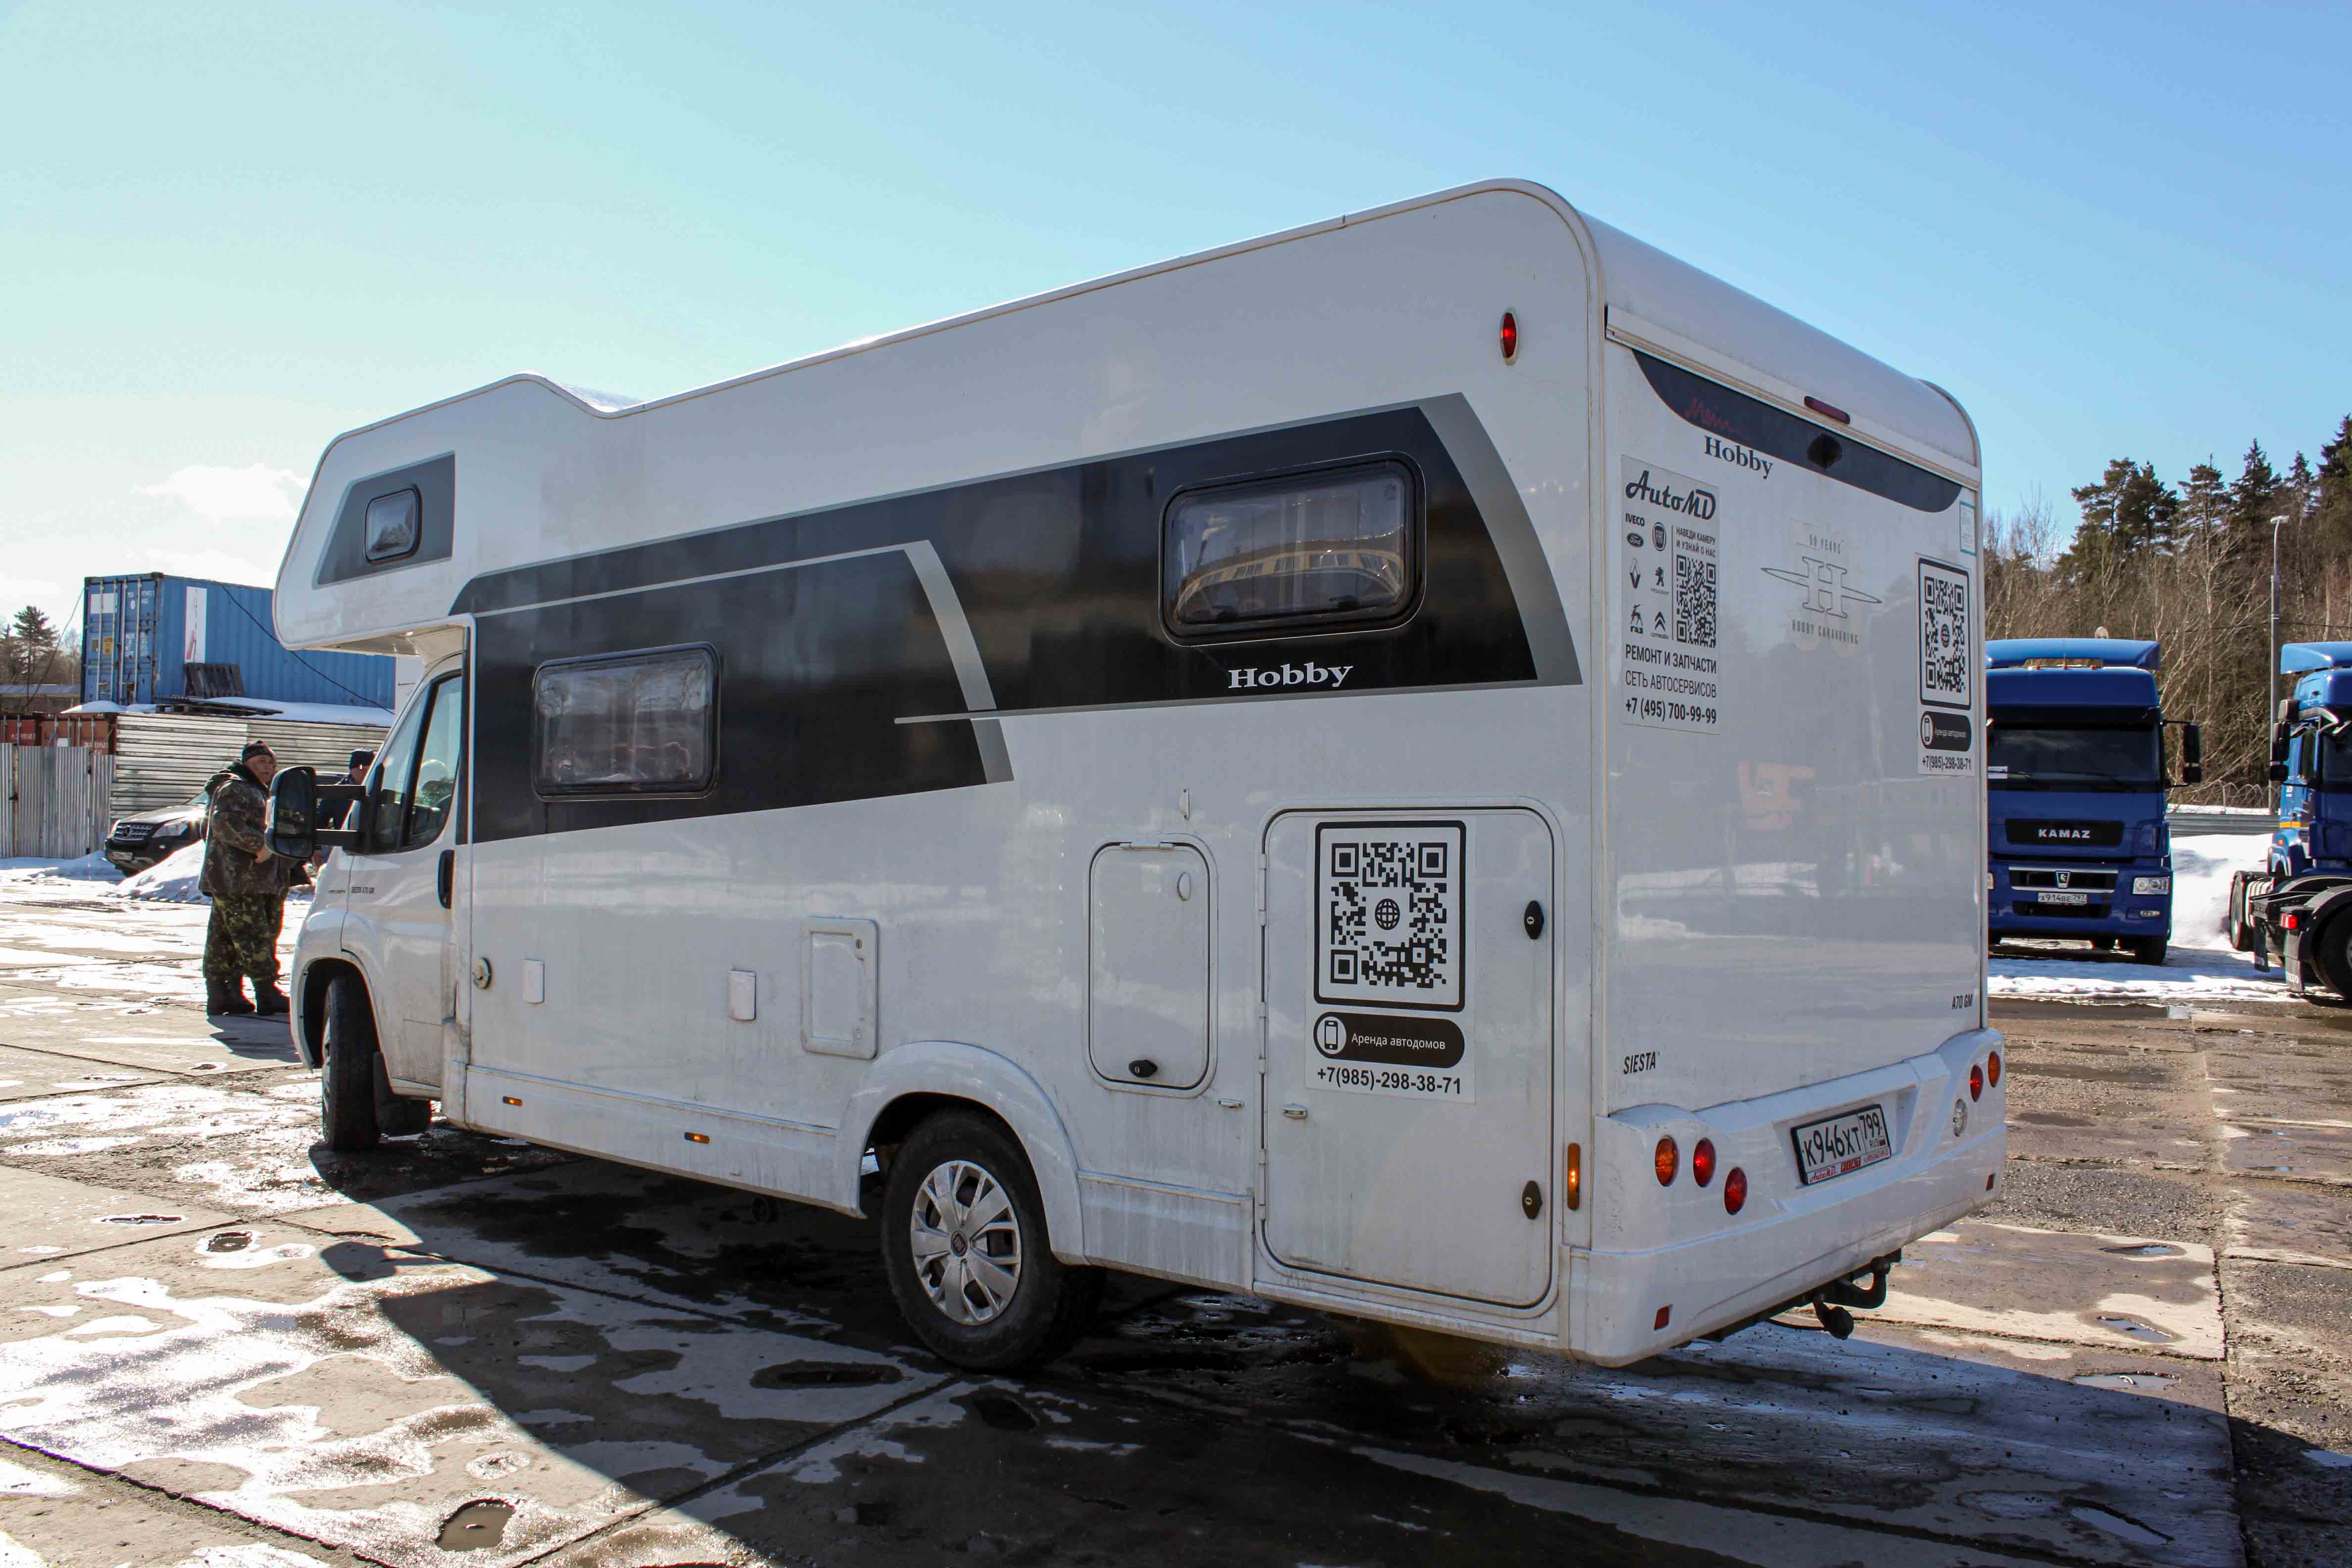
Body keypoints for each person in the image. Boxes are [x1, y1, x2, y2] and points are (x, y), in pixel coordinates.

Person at [199, 740, 301, 1017]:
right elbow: (222, 824)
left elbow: (206, 826)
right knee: (254, 934)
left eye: (271, 763)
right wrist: (259, 846)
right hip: (243, 880)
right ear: (247, 764)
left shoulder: (258, 791)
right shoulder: (237, 788)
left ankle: (223, 994)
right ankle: (266, 991)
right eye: (260, 763)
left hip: (237, 879)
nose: (267, 768)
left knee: (223, 939)